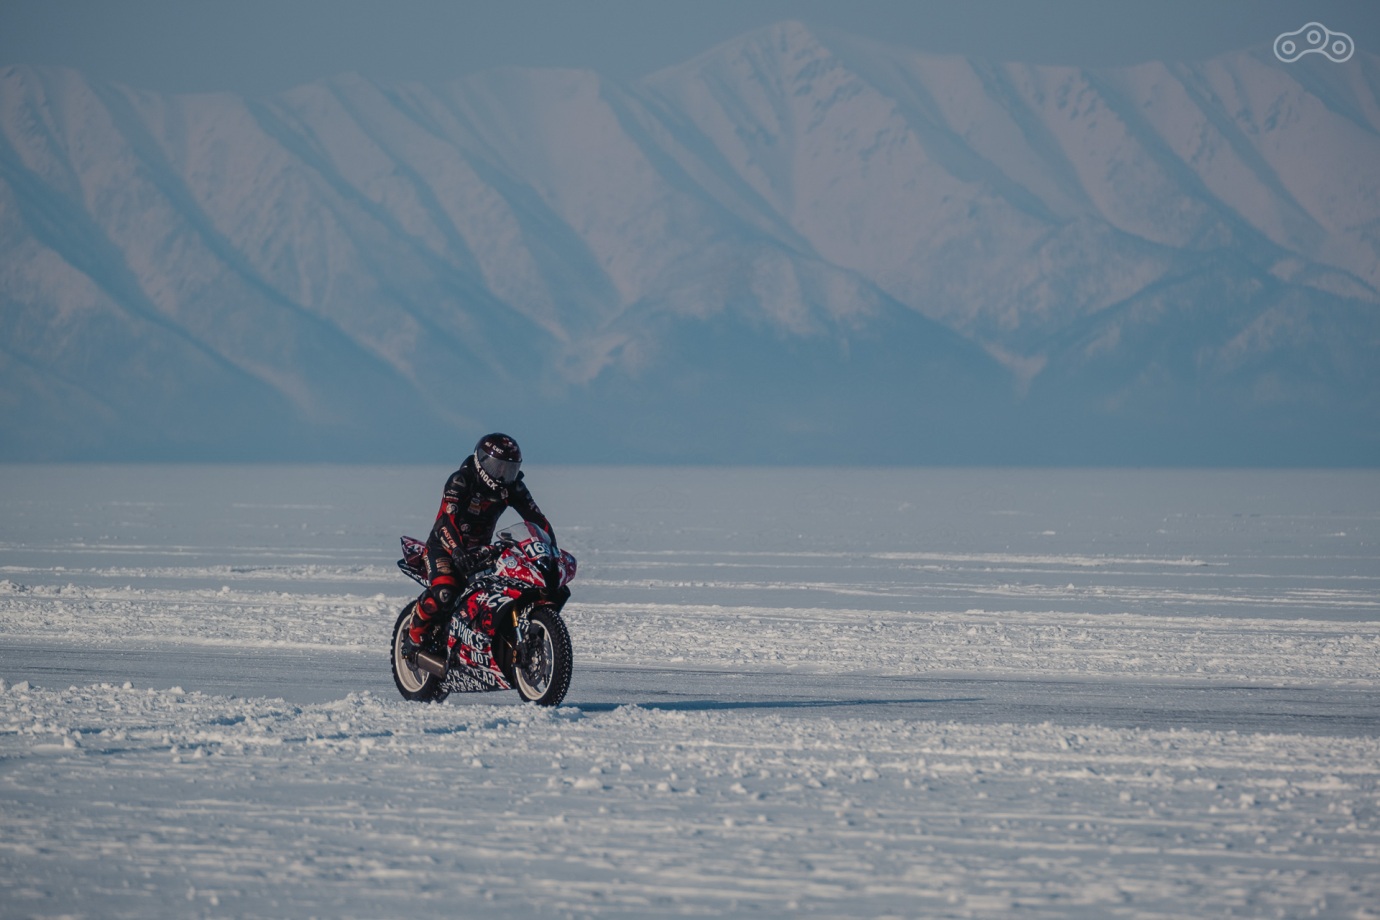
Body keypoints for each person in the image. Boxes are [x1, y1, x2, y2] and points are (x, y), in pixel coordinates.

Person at [405, 433, 553, 649]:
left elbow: (537, 520)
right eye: (497, 467)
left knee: (504, 590)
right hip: (444, 547)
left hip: (482, 550)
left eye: (509, 468)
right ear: (481, 461)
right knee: (445, 593)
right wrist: (457, 550)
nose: (502, 474)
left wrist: (549, 550)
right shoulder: (461, 481)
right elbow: (447, 520)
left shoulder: (513, 487)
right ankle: (413, 636)